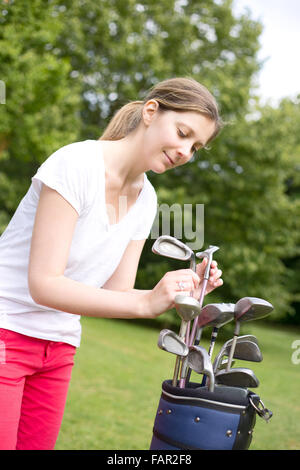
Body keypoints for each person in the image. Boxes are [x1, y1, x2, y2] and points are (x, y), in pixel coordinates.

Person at [0, 77, 223, 450]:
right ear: (151, 112)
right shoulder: (77, 164)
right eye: (183, 133)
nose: (186, 151)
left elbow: (116, 292)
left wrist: (179, 288)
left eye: (196, 146)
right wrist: (146, 303)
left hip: (58, 348)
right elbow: (45, 283)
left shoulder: (145, 198)